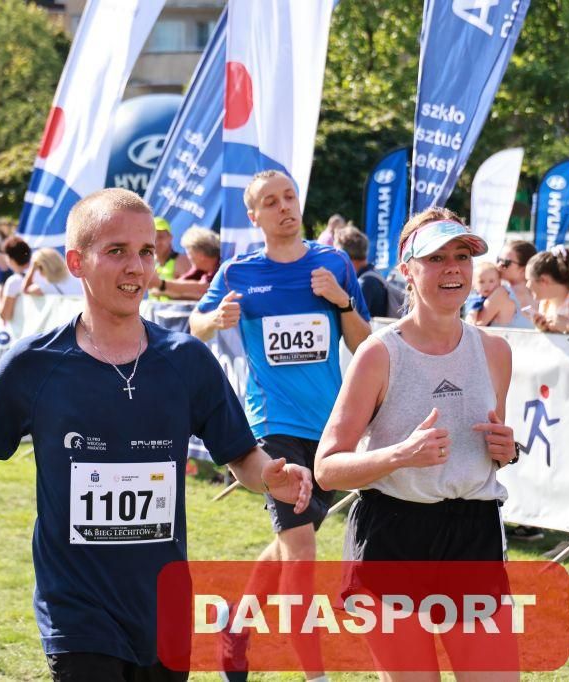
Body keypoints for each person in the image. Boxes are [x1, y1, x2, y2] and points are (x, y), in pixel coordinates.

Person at [0, 188, 312, 681]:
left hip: (163, 610)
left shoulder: (186, 361)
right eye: (116, 251)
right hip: (77, 611)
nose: (136, 267)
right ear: (76, 262)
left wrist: (269, 476)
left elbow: (241, 456)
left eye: (147, 251)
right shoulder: (35, 365)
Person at [315, 208, 518, 678]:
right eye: (436, 258)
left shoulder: (495, 351)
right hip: (394, 535)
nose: (453, 268)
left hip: (472, 535)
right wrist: (400, 455)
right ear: (407, 269)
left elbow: (491, 451)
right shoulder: (379, 354)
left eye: (462, 256)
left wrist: (506, 451)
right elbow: (326, 467)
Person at [190, 170, 371, 681]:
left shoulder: (332, 264)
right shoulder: (239, 273)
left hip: (329, 428)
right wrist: (215, 320)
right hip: (273, 427)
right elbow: (195, 326)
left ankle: (236, 623)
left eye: (289, 197)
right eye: (270, 202)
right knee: (303, 555)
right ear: (254, 216)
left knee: (292, 543)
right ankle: (315, 675)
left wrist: (341, 302)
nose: (284, 207)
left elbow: (363, 342)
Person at [149, 227, 220, 300]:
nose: (188, 257)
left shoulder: (222, 268)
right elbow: (182, 283)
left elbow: (205, 290)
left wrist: (160, 284)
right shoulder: (199, 269)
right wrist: (162, 288)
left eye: (189, 252)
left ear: (201, 254)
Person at [334, 226, 389, 318]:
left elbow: (354, 320)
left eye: (337, 256)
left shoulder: (365, 283)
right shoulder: (371, 273)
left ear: (345, 257)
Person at [526, 245, 569, 335]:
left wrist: (567, 325)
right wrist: (544, 328)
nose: (527, 285)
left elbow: (564, 326)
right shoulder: (545, 303)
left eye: (528, 280)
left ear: (544, 280)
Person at [148, 217, 191, 302]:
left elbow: (194, 295)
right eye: (152, 237)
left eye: (160, 237)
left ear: (170, 238)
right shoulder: (150, 262)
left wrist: (163, 291)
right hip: (153, 310)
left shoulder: (181, 261)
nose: (156, 242)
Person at [496, 239, 538, 326]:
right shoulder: (498, 292)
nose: (499, 265)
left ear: (524, 268)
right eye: (498, 260)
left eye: (505, 262)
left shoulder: (543, 300)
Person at [466, 260, 517, 327]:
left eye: (491, 281)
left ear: (499, 282)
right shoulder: (476, 300)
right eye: (481, 282)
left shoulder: (503, 295)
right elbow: (471, 318)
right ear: (474, 284)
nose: (487, 285)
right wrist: (472, 317)